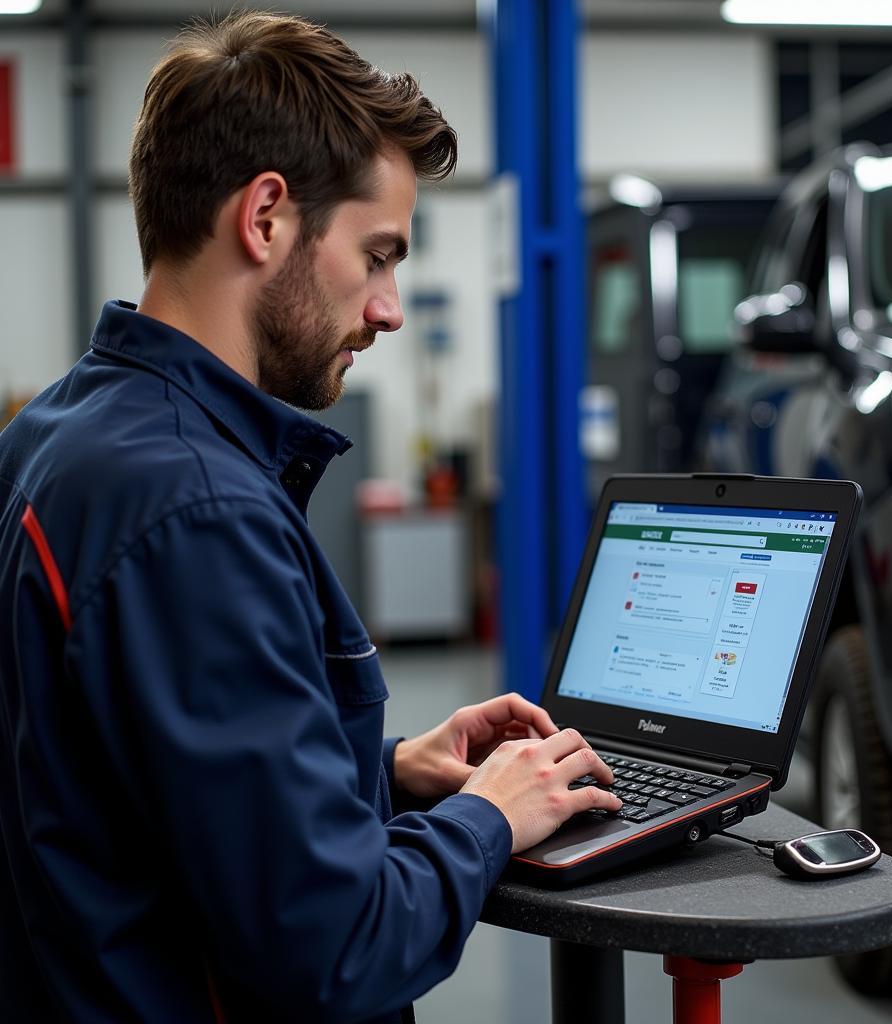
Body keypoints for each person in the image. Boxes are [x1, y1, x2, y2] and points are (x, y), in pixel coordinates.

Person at [0, 12, 621, 1023]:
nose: (387, 308)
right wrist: (484, 819)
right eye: (377, 256)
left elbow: (125, 799)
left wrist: (373, 775)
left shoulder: (58, 436)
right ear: (266, 217)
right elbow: (331, 944)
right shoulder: (195, 510)